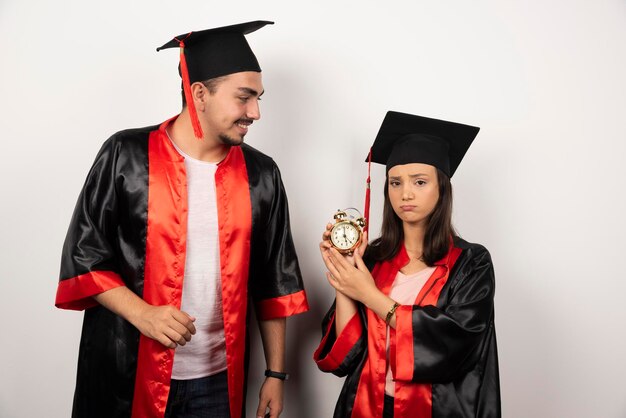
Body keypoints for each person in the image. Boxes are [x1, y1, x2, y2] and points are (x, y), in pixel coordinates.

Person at [55, 20, 308, 418]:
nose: (256, 112)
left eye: (259, 98)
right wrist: (145, 314)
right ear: (200, 93)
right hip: (126, 374)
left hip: (217, 381)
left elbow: (273, 278)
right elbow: (85, 258)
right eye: (244, 98)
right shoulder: (126, 155)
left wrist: (276, 373)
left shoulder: (262, 174)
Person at [314, 111, 500, 418]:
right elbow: (347, 358)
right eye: (395, 183)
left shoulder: (471, 263)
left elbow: (455, 348)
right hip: (368, 407)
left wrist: (371, 295)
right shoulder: (374, 259)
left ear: (442, 188)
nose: (406, 193)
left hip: (436, 411)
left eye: (420, 181)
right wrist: (346, 274)